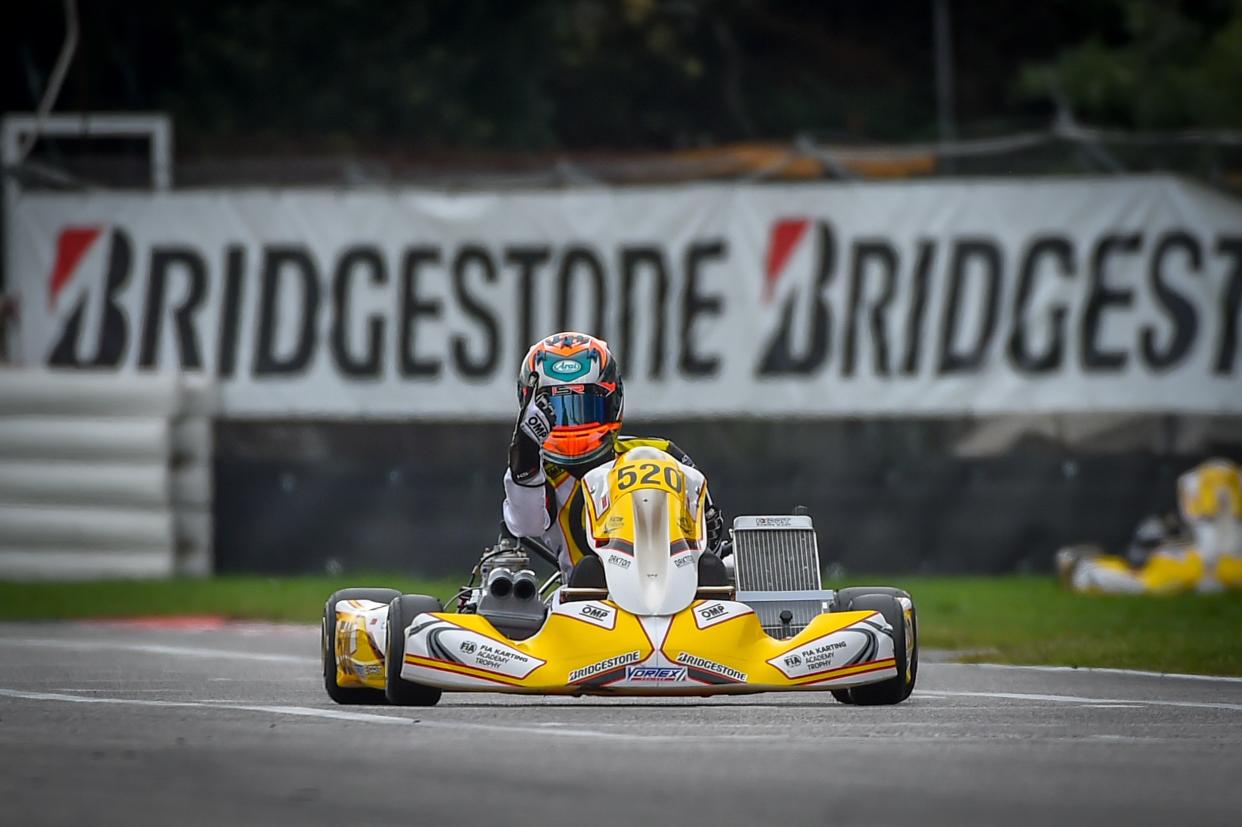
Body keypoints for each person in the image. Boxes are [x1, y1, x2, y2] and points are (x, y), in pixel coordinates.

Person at [501, 331, 725, 581]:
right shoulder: (540, 477)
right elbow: (525, 524)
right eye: (556, 412)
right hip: (583, 600)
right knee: (588, 573)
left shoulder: (662, 454)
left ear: (612, 401)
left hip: (673, 593)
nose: (574, 425)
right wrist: (525, 453)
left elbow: (708, 529)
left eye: (585, 407)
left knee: (712, 570)